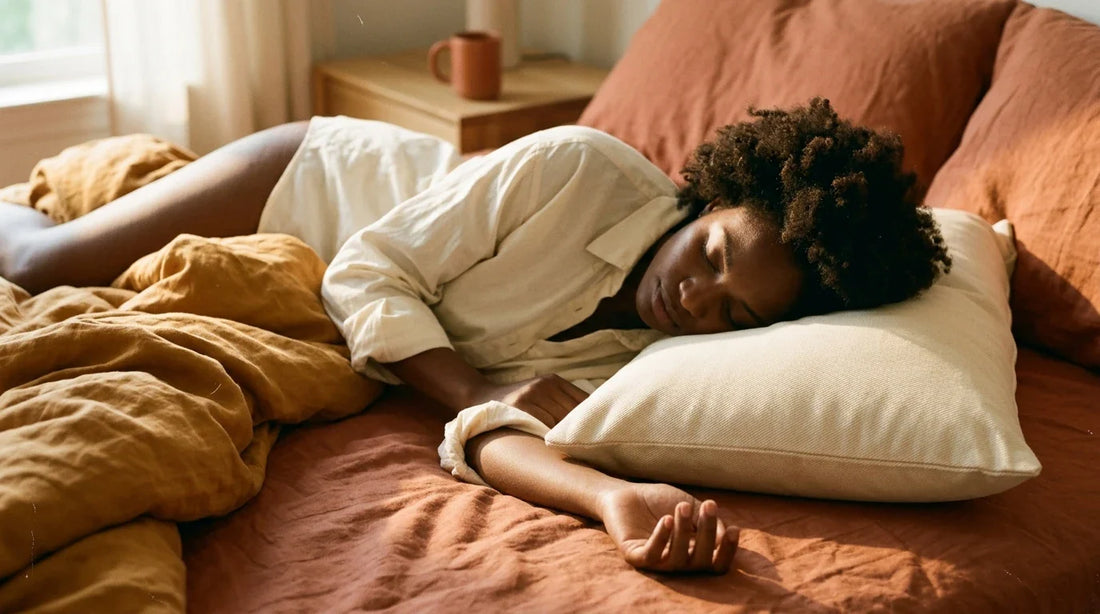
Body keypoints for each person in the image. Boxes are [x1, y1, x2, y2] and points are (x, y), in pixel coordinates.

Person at [0, 98, 950, 573]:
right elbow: (366, 270)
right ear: (712, 194)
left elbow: (501, 433)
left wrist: (613, 502)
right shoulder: (577, 167)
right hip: (311, 185)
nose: (694, 297)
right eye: (708, 253)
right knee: (41, 265)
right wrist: (469, 391)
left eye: (735, 309)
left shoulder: (673, 362)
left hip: (344, 314)